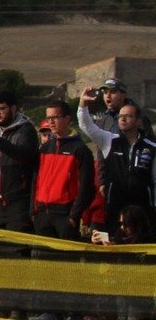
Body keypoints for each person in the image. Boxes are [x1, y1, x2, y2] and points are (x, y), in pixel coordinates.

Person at [78, 89, 156, 229]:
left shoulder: (152, 147)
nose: (123, 119)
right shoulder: (109, 140)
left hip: (143, 207)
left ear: (138, 121)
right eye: (120, 116)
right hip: (115, 205)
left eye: (128, 116)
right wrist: (82, 104)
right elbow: (86, 126)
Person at [0, 91, 39, 233]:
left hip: (18, 201)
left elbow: (24, 155)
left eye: (1, 109)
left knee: (18, 250)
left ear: (14, 108)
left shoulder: (26, 130)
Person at [33, 99, 95, 241]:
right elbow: (36, 180)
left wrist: (74, 216)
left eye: (55, 117)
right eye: (48, 118)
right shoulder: (45, 147)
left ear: (67, 119)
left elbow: (87, 187)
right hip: (42, 214)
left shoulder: (80, 150)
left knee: (66, 261)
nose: (51, 122)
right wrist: (34, 210)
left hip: (65, 216)